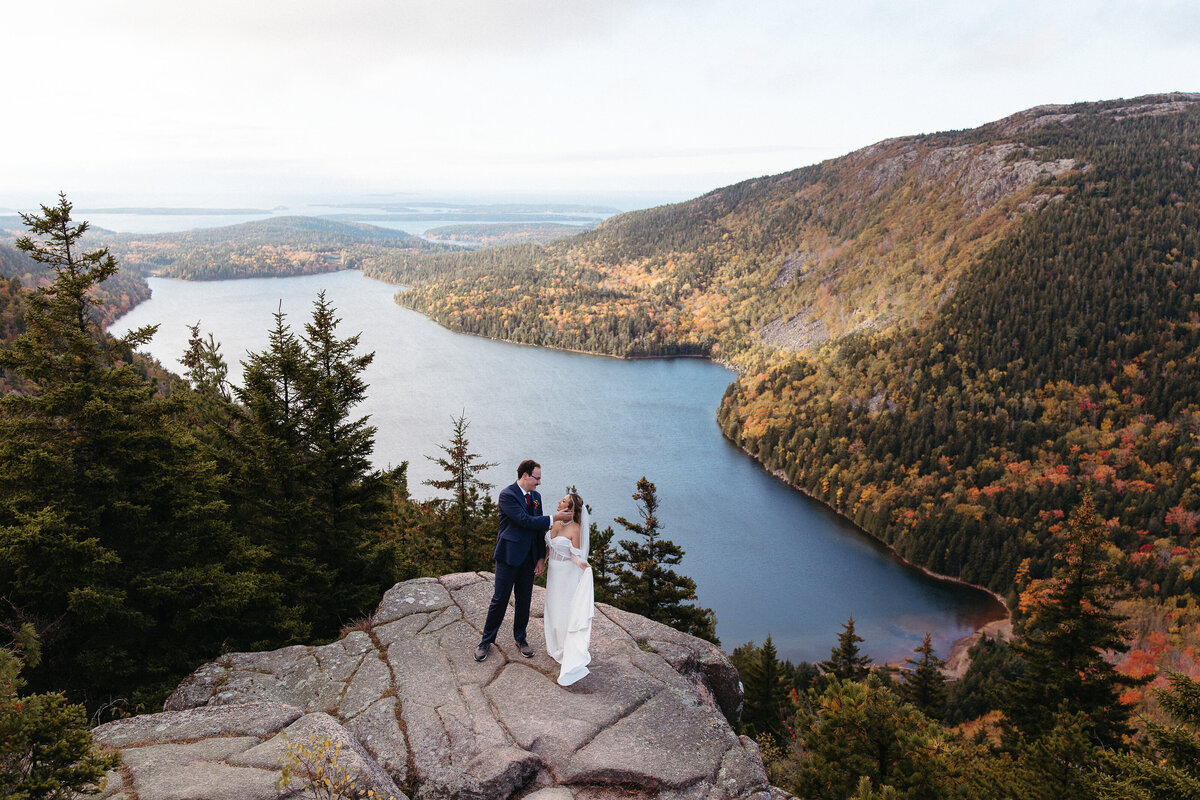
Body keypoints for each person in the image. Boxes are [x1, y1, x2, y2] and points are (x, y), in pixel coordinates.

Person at [475, 459, 572, 662]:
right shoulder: (507, 495)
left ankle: (521, 638)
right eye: (537, 478)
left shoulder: (536, 497)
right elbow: (524, 521)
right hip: (508, 556)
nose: (539, 483)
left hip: (528, 558)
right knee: (500, 600)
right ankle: (486, 641)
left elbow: (537, 529)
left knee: (524, 600)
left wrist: (540, 558)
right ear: (526, 476)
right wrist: (555, 517)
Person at [543, 492, 594, 686]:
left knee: (564, 610)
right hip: (553, 573)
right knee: (552, 608)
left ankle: (566, 649)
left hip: (567, 573)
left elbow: (574, 555)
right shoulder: (555, 522)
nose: (559, 501)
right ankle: (553, 645)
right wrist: (542, 562)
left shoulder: (575, 529)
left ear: (570, 508)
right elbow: (549, 547)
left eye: (563, 501)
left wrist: (583, 564)